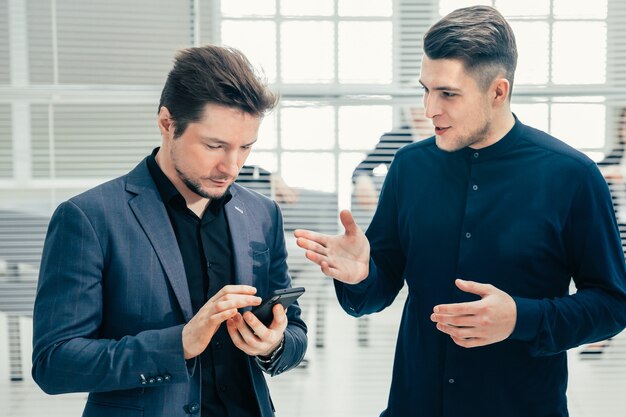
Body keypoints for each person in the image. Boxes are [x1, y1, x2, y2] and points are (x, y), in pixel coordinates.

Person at [294, 6, 626, 417]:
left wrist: (522, 318)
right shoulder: (409, 167)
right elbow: (376, 292)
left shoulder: (573, 177)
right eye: (425, 89)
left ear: (498, 92)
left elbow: (613, 304)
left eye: (448, 94)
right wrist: (362, 275)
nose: (429, 108)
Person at [31, 45, 307, 417]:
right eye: (215, 146)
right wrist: (177, 344)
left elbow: (295, 330)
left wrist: (273, 344)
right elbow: (54, 362)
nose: (232, 166)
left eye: (245, 148)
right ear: (166, 122)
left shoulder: (261, 213)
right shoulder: (89, 218)